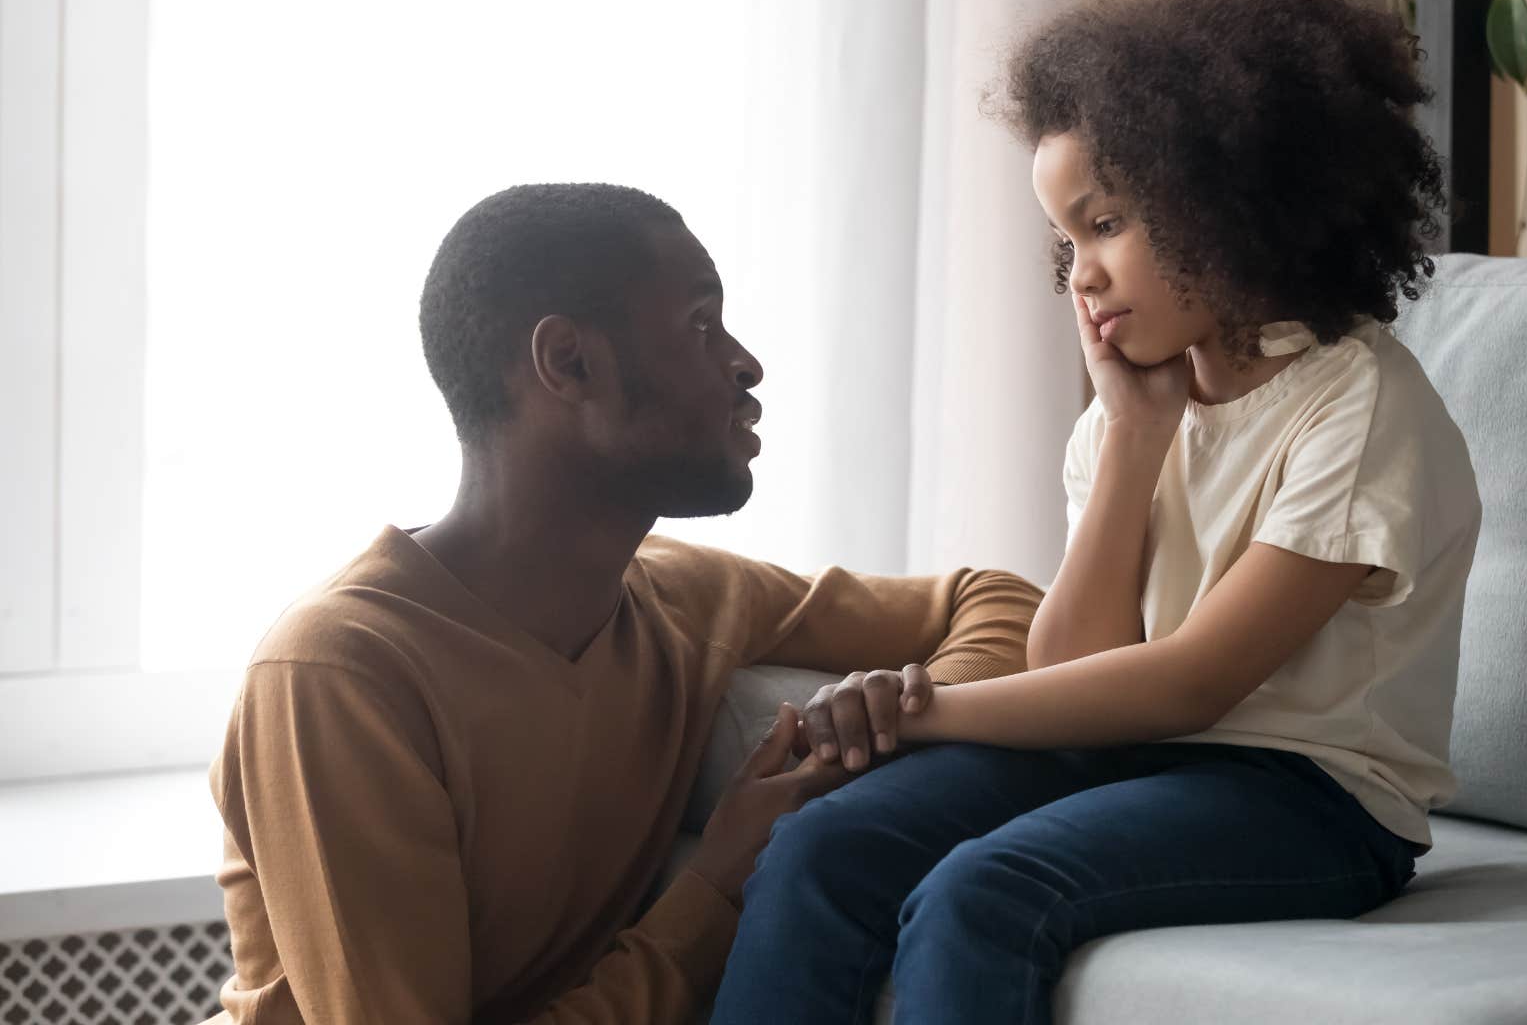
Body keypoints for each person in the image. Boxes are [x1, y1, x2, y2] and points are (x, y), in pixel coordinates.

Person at [710, 0, 1481, 1024]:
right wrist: (1132, 435)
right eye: (1065, 240)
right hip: (1134, 763)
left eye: (1107, 222)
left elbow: (1187, 686)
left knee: (984, 894)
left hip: (1312, 802)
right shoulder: (1130, 415)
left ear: (1223, 198)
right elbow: (1076, 670)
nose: (1080, 273)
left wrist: (923, 711)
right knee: (823, 844)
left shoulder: (1357, 408)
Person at [203, 183, 1042, 1024]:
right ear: (568, 362)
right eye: (700, 325)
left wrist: (912, 716)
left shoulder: (682, 597)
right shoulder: (341, 674)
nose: (746, 363)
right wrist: (715, 888)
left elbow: (997, 599)